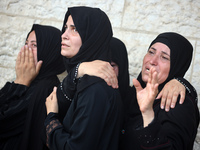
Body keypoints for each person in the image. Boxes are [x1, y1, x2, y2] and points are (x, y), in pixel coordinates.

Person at [45, 6, 122, 150]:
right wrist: (79, 69)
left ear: (92, 38)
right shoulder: (83, 80)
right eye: (65, 27)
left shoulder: (95, 90)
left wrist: (51, 118)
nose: (64, 35)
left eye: (74, 29)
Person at [119, 32, 200, 150]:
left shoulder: (177, 103)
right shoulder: (135, 92)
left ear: (177, 65)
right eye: (151, 52)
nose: (152, 61)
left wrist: (148, 114)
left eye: (164, 57)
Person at [0, 24, 65, 150]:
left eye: (34, 45)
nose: (26, 49)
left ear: (49, 51)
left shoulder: (45, 88)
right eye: (26, 43)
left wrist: (20, 83)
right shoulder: (32, 82)